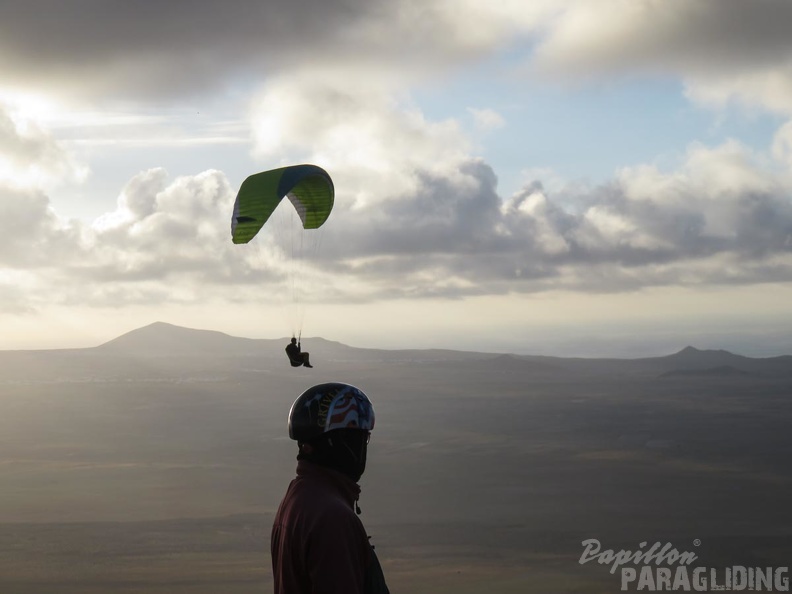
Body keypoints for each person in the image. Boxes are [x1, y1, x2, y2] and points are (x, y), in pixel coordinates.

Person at [271, 383, 390, 594]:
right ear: (340, 441)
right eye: (361, 438)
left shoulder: (297, 498)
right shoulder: (332, 518)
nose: (363, 447)